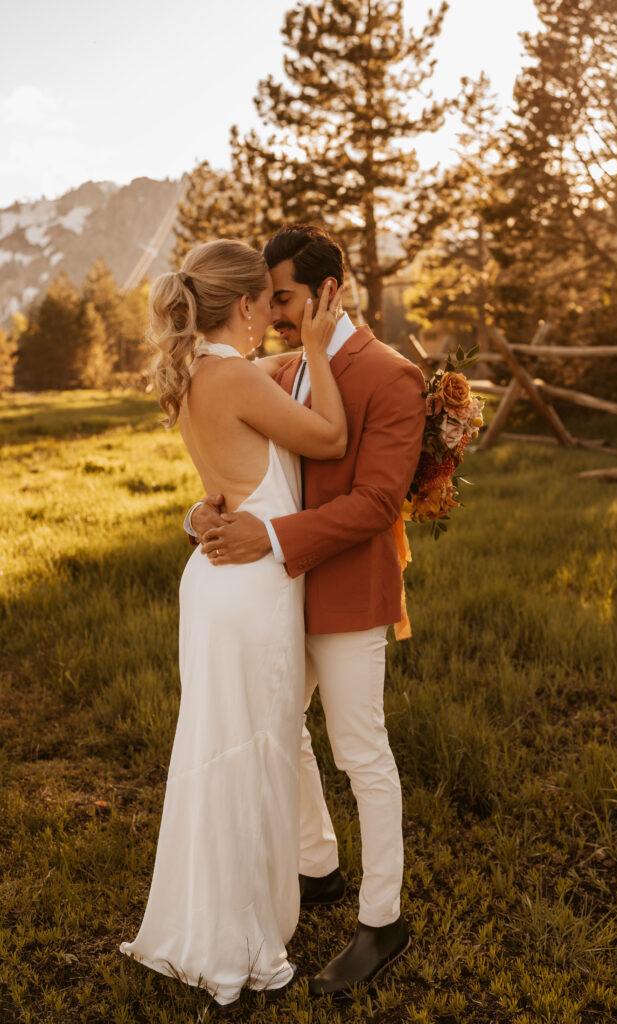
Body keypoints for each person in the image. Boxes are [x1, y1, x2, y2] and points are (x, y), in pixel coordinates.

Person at [188, 224, 426, 997]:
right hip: (276, 599)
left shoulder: (391, 376)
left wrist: (271, 536)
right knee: (282, 733)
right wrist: (211, 514)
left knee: (361, 753)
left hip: (349, 596)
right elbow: (249, 466)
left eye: (283, 296)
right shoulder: (282, 367)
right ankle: (317, 864)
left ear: (328, 291)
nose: (273, 312)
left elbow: (377, 501)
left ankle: (382, 919)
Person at [120, 238, 346, 1009]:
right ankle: (241, 938)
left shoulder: (190, 377)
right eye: (266, 306)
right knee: (254, 749)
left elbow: (220, 486)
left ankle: (210, 917)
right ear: (245, 305)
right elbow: (330, 439)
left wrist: (196, 513)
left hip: (215, 583)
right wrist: (315, 347)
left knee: (221, 746)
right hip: (250, 585)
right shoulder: (237, 376)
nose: (271, 321)